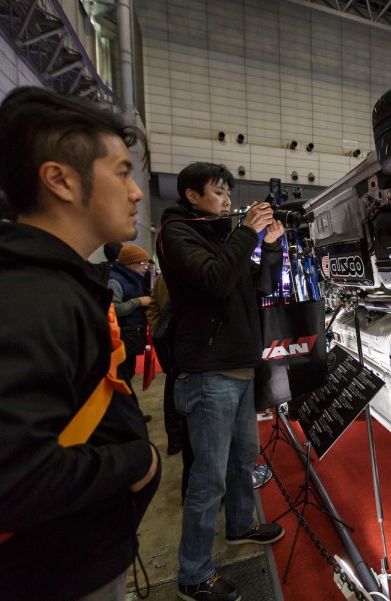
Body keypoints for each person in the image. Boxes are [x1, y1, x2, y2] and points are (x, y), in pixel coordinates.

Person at [0, 86, 159, 601]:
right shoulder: (27, 297)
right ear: (59, 179)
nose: (136, 191)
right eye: (122, 172)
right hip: (45, 576)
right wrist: (135, 462)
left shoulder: (37, 280)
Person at [158, 162, 285, 601]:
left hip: (238, 366)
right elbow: (214, 280)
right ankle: (193, 574)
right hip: (207, 371)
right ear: (192, 196)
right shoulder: (176, 233)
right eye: (219, 192)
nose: (228, 200)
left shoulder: (219, 237)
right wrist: (246, 233)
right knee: (207, 477)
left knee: (244, 456)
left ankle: (241, 524)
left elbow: (261, 288)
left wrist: (270, 247)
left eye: (229, 193)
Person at [109, 243, 153, 393]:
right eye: (142, 263)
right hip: (122, 336)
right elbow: (113, 309)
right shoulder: (115, 281)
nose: (146, 267)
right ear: (130, 263)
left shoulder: (134, 278)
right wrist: (138, 302)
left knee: (129, 373)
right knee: (123, 374)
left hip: (132, 333)